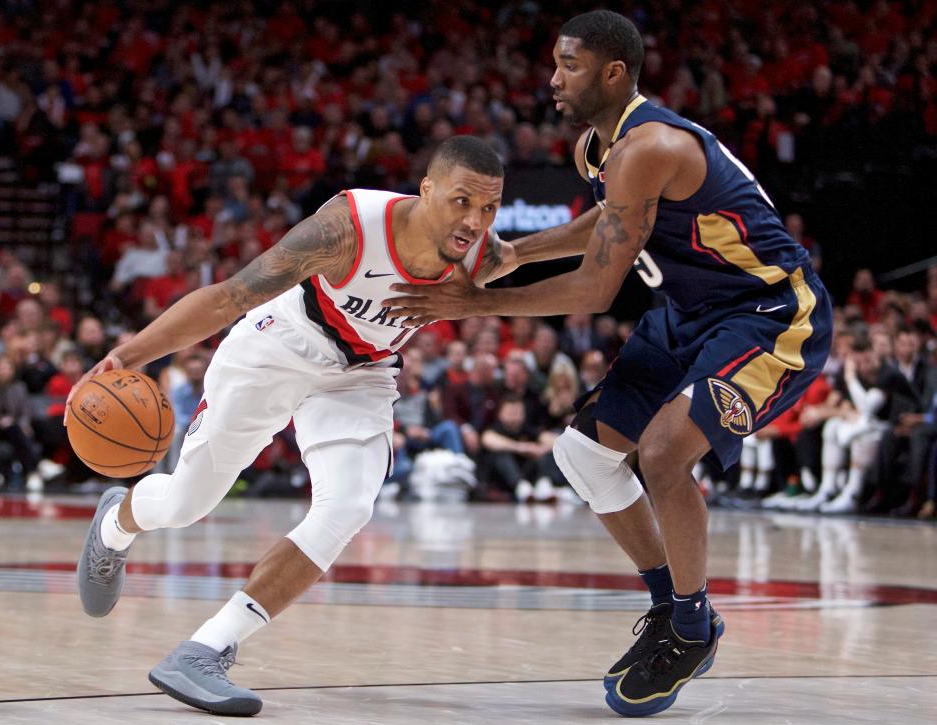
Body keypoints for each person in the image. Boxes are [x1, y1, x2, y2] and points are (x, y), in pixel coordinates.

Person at [384, 11, 833, 717]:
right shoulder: (599, 148)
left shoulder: (649, 144)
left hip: (769, 312)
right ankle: (670, 606)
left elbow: (596, 289)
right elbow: (618, 217)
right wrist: (520, 251)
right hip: (685, 313)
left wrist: (473, 303)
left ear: (614, 72)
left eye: (568, 65)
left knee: (661, 455)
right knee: (583, 456)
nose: (554, 78)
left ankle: (691, 626)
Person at [67, 136, 525, 717]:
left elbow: (528, 252)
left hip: (360, 374)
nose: (475, 221)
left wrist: (633, 217)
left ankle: (206, 648)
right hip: (279, 344)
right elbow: (229, 296)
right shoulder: (349, 227)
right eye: (463, 202)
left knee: (348, 505)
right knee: (185, 502)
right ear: (426, 189)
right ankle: (116, 520)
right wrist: (129, 356)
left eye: (489, 209)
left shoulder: (474, 250)